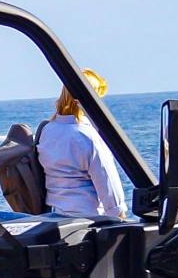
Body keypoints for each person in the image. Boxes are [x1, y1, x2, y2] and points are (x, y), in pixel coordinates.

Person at [39, 68, 128, 219]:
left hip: (55, 217)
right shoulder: (87, 136)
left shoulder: (47, 130)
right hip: (89, 221)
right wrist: (120, 216)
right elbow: (107, 182)